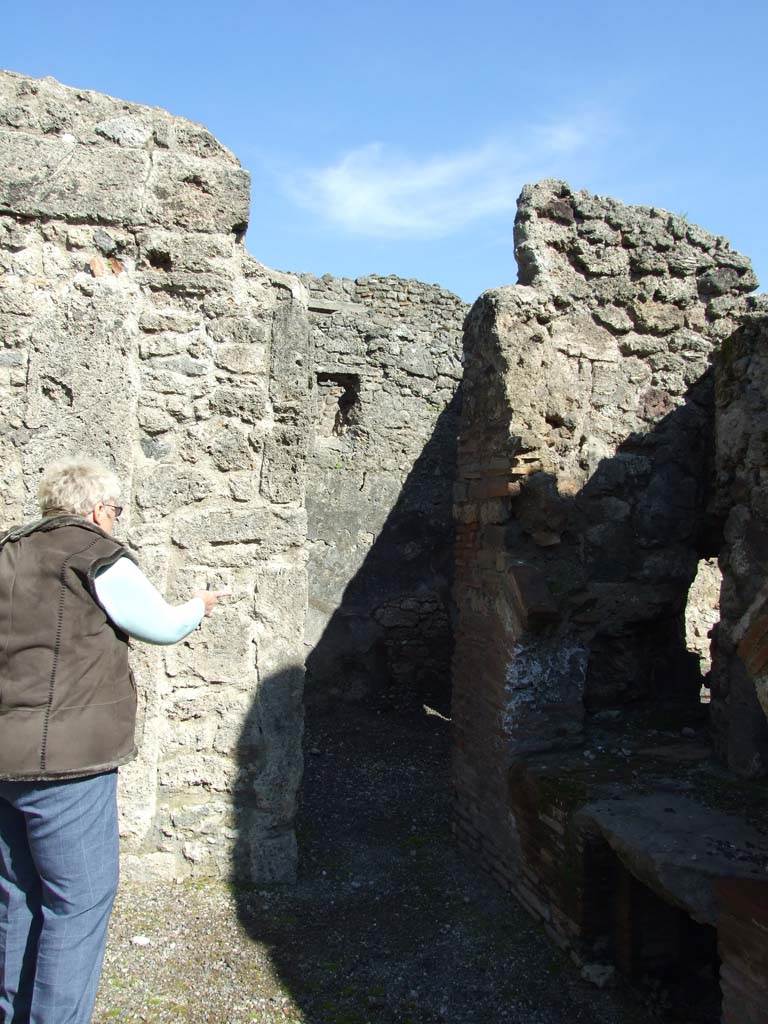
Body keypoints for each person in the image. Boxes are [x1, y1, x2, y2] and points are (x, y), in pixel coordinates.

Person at [0, 457, 224, 1024]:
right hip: (65, 765)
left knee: (16, 897)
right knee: (79, 902)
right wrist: (197, 607)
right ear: (98, 509)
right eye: (116, 511)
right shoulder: (96, 555)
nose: (115, 521)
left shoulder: (7, 552)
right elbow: (161, 626)